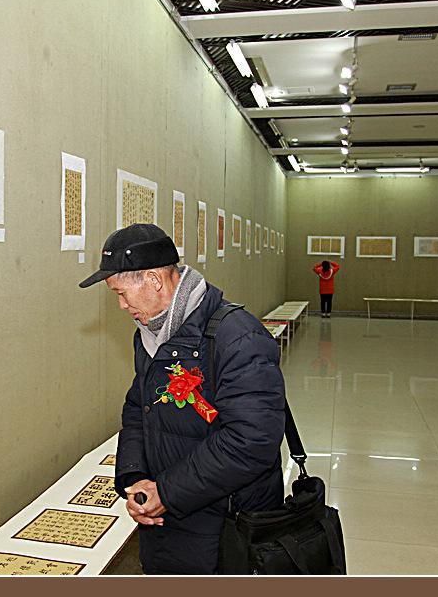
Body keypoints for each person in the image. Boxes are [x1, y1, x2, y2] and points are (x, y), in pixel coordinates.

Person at [79, 223, 285, 575]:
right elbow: (138, 407)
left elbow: (251, 440)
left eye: (122, 293)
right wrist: (136, 478)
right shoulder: (151, 333)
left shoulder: (238, 336)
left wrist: (168, 492)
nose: (121, 306)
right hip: (172, 516)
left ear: (154, 280)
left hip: (226, 523)